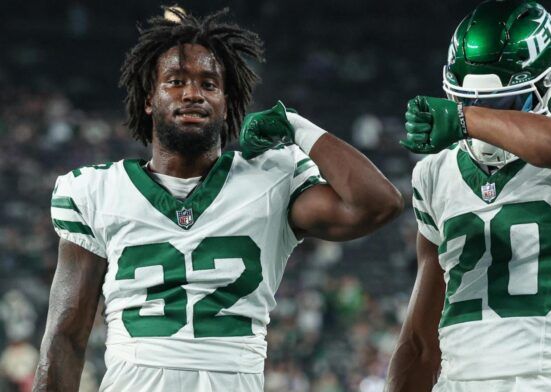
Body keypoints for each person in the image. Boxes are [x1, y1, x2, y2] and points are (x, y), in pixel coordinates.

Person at [33, 7, 403, 392]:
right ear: (149, 99)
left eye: (209, 84)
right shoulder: (96, 191)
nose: (193, 93)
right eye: (175, 81)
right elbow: (66, 337)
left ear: (227, 103)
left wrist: (298, 126)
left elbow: (378, 204)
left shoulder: (271, 178)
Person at [386, 1, 551, 391]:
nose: (481, 115)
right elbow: (422, 343)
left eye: (501, 102)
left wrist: (464, 119)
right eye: (468, 100)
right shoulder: (435, 173)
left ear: (550, 85)